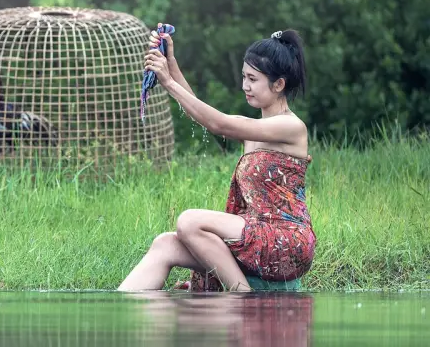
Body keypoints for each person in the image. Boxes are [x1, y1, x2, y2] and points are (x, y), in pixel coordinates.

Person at [117, 29, 316, 292]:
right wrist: (172, 63)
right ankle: (123, 313)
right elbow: (204, 115)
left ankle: (239, 292)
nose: (245, 85)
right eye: (244, 77)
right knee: (165, 243)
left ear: (278, 85)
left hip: (285, 239)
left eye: (253, 79)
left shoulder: (292, 127)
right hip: (253, 234)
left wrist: (167, 81)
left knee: (189, 221)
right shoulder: (254, 128)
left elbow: (218, 123)